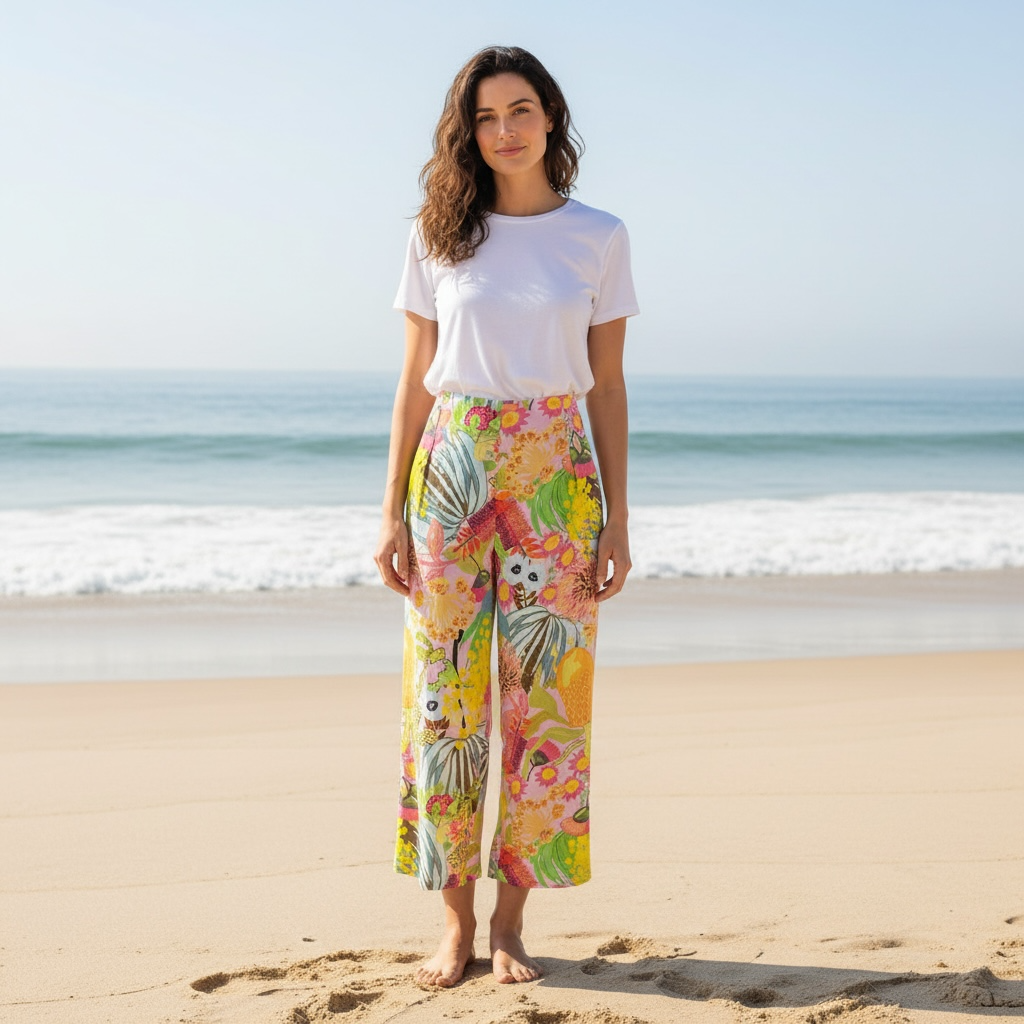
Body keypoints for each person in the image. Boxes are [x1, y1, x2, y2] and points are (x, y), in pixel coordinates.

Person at [374, 44, 639, 988]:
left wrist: (616, 516)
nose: (505, 131)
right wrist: (390, 511)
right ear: (468, 132)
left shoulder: (598, 236)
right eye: (485, 117)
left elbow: (608, 385)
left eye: (520, 110)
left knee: (547, 702)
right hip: (452, 468)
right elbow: (415, 377)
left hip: (557, 473)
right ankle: (453, 924)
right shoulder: (438, 233)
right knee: (445, 698)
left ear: (551, 116)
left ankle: (511, 924)